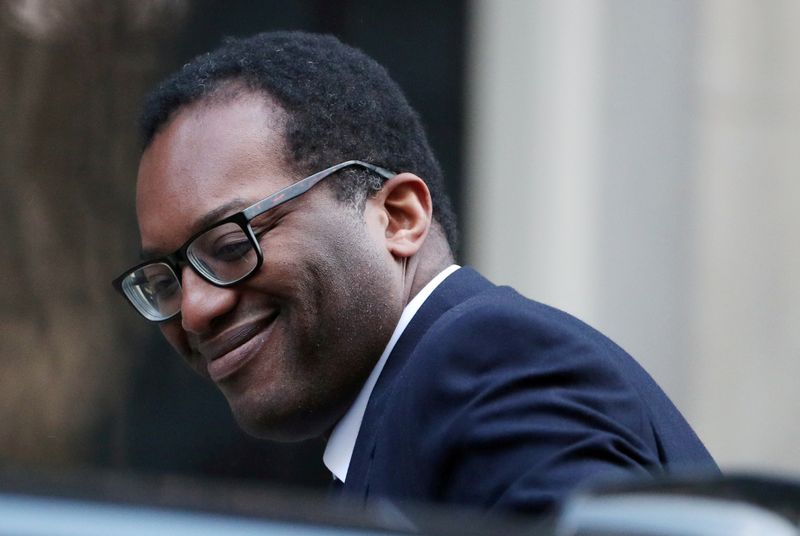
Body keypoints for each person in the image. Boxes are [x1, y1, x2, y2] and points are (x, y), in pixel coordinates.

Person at [113, 31, 717, 518]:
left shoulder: (487, 362)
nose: (194, 310)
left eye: (227, 243)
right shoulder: (409, 415)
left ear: (399, 217)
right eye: (165, 279)